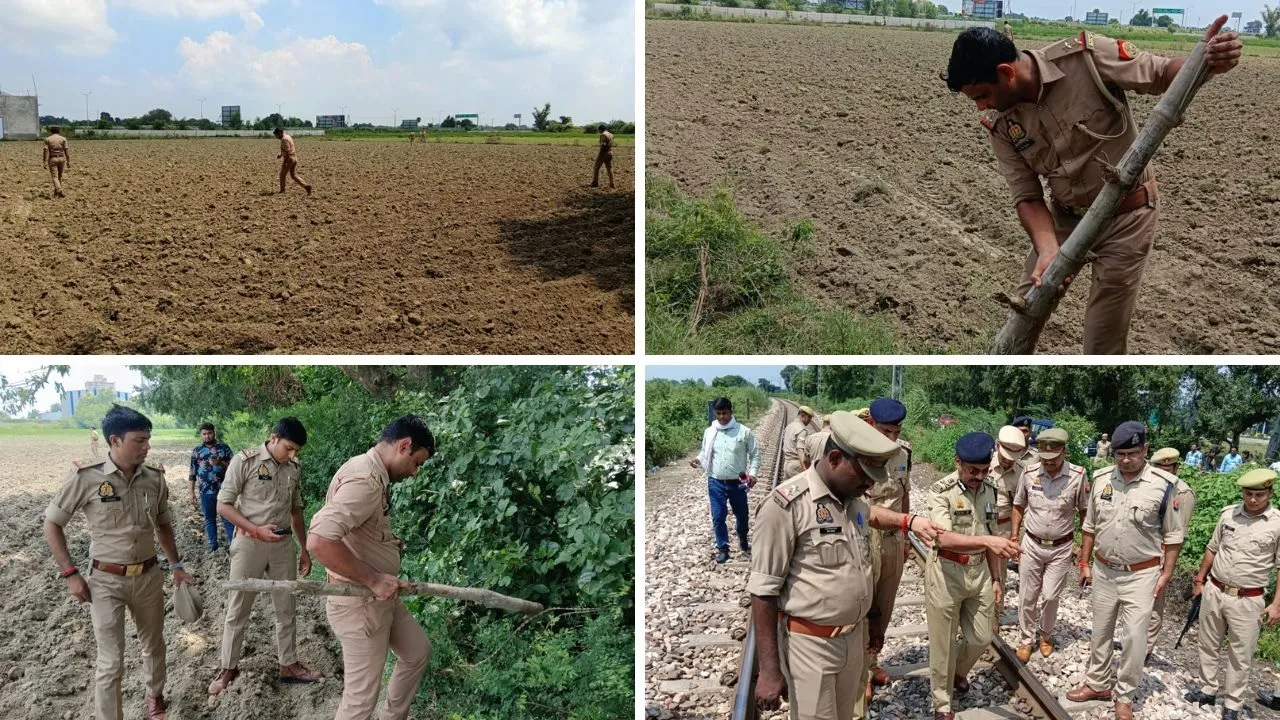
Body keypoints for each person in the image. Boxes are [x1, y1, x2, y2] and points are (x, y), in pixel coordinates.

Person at [944, 20, 1243, 353]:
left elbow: (1162, 75)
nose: (980, 107)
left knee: (1103, 338)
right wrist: (1047, 250)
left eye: (982, 95)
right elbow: (1026, 195)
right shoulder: (1001, 123)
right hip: (1064, 219)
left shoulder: (1086, 58)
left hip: (1127, 217)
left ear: (1006, 72)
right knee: (1024, 313)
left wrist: (1206, 60)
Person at [750, 412, 943, 720]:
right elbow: (763, 591)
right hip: (811, 646)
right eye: (864, 475)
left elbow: (872, 524)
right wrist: (769, 670)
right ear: (836, 458)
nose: (869, 484)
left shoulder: (852, 502)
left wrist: (909, 522)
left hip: (853, 641)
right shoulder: (785, 507)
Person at [43, 405, 193, 720]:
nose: (147, 446)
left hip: (149, 576)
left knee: (154, 646)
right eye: (139, 440)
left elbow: (163, 524)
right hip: (105, 581)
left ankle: (155, 697)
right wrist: (70, 573)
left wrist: (176, 566)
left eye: (148, 439)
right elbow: (52, 523)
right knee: (111, 661)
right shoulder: (87, 477)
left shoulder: (154, 478)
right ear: (115, 440)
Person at [307, 415, 436, 720]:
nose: (415, 473)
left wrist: (387, 545)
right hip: (360, 603)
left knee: (417, 652)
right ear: (404, 446)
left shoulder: (370, 471)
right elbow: (320, 540)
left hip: (380, 599)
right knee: (361, 700)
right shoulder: (366, 479)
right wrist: (374, 578)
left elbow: (359, 528)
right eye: (416, 462)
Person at [1067, 421, 1185, 720]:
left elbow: (1173, 536)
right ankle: (1097, 682)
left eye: (1132, 453)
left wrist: (1166, 574)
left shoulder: (1163, 486)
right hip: (1104, 569)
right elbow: (1090, 526)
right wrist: (1083, 562)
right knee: (1101, 630)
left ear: (1146, 449)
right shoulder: (1103, 478)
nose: (1125, 460)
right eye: (1120, 454)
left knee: (1134, 637)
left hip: (1141, 574)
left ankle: (1125, 696)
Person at [208, 417, 322, 695]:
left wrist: (304, 548)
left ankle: (289, 664)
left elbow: (296, 510)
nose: (293, 455)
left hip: (283, 546)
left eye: (297, 451)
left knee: (287, 608)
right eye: (289, 448)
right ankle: (228, 668)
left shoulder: (294, 467)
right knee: (238, 609)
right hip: (249, 544)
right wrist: (255, 530)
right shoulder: (244, 461)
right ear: (273, 438)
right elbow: (223, 505)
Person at [924, 432, 1022, 720]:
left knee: (981, 637)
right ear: (958, 463)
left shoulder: (990, 490)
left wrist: (995, 579)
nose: (979, 476)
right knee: (943, 642)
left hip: (979, 571)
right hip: (946, 571)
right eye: (972, 471)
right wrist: (990, 542)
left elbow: (991, 535)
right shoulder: (940, 491)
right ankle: (942, 703)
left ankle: (957, 672)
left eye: (983, 470)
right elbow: (943, 538)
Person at [1184, 469, 1280, 720]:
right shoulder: (1229, 515)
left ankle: (1233, 704)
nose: (1254, 499)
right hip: (1215, 589)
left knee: (1241, 654)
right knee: (1208, 643)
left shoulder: (1277, 523)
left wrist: (1276, 604)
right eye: (1249, 493)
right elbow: (1212, 548)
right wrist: (1199, 580)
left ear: (1270, 493)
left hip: (1249, 599)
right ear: (1243, 493)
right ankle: (1207, 689)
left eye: (1260, 494)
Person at [1010, 427, 1088, 663]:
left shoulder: (1077, 475)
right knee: (1027, 595)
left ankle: (1045, 635)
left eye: (1053, 459)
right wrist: (1014, 537)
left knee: (1051, 595)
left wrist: (1084, 550)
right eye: (1044, 458)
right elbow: (1018, 505)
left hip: (1061, 548)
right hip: (1031, 544)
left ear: (1064, 451)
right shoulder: (1029, 471)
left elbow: (1085, 513)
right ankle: (1026, 639)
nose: (1048, 464)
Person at [859, 398, 913, 705]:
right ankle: (860, 674)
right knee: (865, 606)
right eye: (884, 431)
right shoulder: (859, 452)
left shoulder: (903, 453)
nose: (890, 438)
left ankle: (872, 663)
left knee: (885, 604)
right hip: (865, 537)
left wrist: (906, 537)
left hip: (893, 538)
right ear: (870, 425)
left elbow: (904, 495)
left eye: (895, 432)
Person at [691, 397, 760, 564]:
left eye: (725, 413)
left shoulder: (744, 431)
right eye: (719, 414)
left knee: (742, 514)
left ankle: (743, 539)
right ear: (715, 414)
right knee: (718, 516)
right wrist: (698, 460)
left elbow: (755, 454)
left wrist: (753, 474)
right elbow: (704, 452)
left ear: (731, 412)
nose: (722, 417)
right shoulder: (710, 431)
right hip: (715, 481)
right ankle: (723, 548)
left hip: (739, 480)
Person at [1146, 447, 1196, 661]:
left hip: (1160, 556)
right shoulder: (1148, 485)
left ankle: (1145, 649)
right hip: (1141, 553)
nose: (1164, 472)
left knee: (1154, 604)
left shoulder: (1182, 492)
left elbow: (1178, 533)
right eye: (1159, 468)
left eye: (1168, 468)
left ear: (1176, 468)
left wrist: (1167, 567)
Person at [990, 425, 1028, 598]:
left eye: (1013, 457)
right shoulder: (983, 463)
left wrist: (1017, 538)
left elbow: (1022, 508)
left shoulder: (1022, 472)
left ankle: (995, 618)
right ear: (998, 445)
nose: (1008, 461)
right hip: (979, 525)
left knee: (999, 575)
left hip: (1002, 528)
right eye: (1006, 456)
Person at [189, 423, 235, 552]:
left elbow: (234, 469)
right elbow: (192, 473)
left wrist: (220, 462)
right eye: (204, 434)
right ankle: (213, 547)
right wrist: (191, 492)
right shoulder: (197, 451)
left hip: (224, 490)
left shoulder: (224, 448)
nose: (207, 436)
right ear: (201, 435)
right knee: (209, 519)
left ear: (214, 433)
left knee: (228, 518)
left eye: (209, 433)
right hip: (205, 491)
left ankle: (234, 545)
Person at [273, 127, 312, 195]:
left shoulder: (284, 139)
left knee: (282, 175)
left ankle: (282, 190)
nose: (276, 137)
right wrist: (281, 155)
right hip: (294, 158)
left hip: (289, 159)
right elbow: (286, 149)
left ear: (279, 133)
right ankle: (306, 186)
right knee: (293, 175)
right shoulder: (287, 136)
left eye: (276, 135)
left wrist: (285, 162)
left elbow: (287, 151)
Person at [782, 405, 815, 477]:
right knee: (802, 487)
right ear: (805, 416)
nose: (810, 421)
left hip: (787, 463)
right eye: (810, 418)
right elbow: (800, 449)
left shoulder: (789, 426)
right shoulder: (802, 430)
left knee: (788, 487)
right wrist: (804, 467)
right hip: (796, 465)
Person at [42, 125, 71, 198]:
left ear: (51, 131)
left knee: (54, 177)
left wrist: (44, 161)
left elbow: (45, 151)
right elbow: (66, 150)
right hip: (61, 158)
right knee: (60, 176)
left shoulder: (48, 139)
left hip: (52, 158)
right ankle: (57, 193)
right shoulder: (63, 139)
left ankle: (58, 190)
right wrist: (68, 161)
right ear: (59, 131)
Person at [591, 123, 615, 189]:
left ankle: (595, 183)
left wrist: (600, 155)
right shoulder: (611, 134)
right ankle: (612, 183)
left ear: (600, 129)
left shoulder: (603, 135)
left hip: (603, 153)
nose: (599, 131)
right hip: (610, 152)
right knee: (609, 168)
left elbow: (603, 145)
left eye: (599, 130)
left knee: (596, 167)